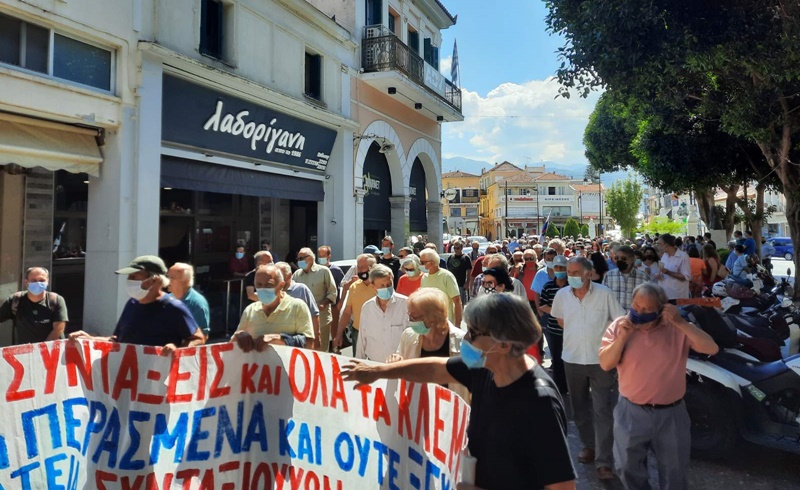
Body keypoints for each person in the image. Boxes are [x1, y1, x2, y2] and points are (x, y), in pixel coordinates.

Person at [342, 294, 576, 490]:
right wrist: (379, 371)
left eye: (473, 333)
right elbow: (435, 369)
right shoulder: (485, 369)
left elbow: (562, 486)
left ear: (504, 344)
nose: (465, 338)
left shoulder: (538, 402)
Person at [600, 283, 718, 489]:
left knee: (675, 471)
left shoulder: (676, 327)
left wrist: (680, 322)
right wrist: (622, 338)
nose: (638, 312)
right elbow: (605, 363)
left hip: (671, 414)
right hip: (631, 411)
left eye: (646, 309)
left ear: (661, 309)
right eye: (636, 306)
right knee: (627, 467)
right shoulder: (620, 325)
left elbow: (711, 348)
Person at [550, 256, 626, 480]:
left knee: (602, 409)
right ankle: (589, 446)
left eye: (575, 272)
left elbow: (619, 320)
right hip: (572, 359)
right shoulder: (562, 295)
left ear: (588, 274)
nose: (570, 275)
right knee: (579, 407)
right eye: (568, 272)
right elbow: (561, 320)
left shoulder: (604, 294)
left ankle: (604, 461)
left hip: (600, 360)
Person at [70, 256, 203, 354]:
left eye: (135, 277)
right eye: (129, 277)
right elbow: (118, 340)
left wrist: (177, 349)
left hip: (158, 384)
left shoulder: (173, 307)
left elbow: (198, 338)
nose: (129, 281)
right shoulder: (132, 304)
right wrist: (90, 339)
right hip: (132, 382)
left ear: (155, 280)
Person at [388, 288, 469, 401]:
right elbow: (400, 363)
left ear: (433, 317)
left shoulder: (463, 342)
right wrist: (396, 360)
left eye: (414, 317)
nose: (410, 321)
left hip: (450, 411)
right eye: (409, 315)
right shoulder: (408, 336)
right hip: (419, 408)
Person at [231, 264, 314, 351]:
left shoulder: (298, 307)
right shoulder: (250, 310)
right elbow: (232, 346)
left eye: (268, 285)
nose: (263, 288)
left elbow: (309, 343)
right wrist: (239, 336)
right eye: (259, 285)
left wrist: (281, 340)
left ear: (281, 285)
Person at [0, 267, 68, 344]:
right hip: (23, 353)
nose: (38, 283)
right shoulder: (15, 300)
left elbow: (58, 329)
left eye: (42, 280)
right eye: (34, 280)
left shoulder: (56, 300)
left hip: (50, 352)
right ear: (26, 282)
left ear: (47, 282)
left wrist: (41, 349)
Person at [355, 265, 408, 362]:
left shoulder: (405, 305)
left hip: (399, 366)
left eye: (389, 284)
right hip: (375, 366)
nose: (386, 288)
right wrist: (358, 363)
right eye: (382, 286)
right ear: (373, 287)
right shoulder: (367, 308)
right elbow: (362, 339)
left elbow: (410, 337)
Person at [293, 247, 337, 351]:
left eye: (301, 258)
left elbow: (333, 292)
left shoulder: (323, 271)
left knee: (321, 352)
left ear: (311, 258)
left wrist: (323, 303)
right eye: (298, 259)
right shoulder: (296, 275)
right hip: (302, 323)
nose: (299, 261)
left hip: (321, 320)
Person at [538, 255, 570, 394]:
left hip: (571, 330)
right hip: (554, 329)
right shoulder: (548, 286)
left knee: (570, 359)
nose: (559, 270)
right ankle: (560, 388)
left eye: (562, 267)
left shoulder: (572, 286)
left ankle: (572, 386)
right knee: (557, 359)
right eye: (556, 267)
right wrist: (557, 313)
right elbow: (543, 304)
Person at [335, 254, 378, 352]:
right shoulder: (354, 287)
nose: (359, 270)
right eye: (358, 267)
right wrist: (339, 334)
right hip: (357, 332)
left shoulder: (380, 286)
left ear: (371, 268)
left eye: (362, 267)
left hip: (377, 331)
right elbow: (347, 313)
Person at [275, 262, 320, 348]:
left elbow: (314, 315)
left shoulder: (301, 290)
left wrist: (317, 338)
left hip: (298, 342)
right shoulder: (272, 292)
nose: (276, 279)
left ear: (289, 275)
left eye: (279, 276)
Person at [166, 263, 211, 338]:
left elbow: (203, 335)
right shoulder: (166, 300)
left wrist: (180, 349)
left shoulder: (197, 303)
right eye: (167, 276)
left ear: (185, 282)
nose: (168, 281)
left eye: (172, 278)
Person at [420, 249, 463, 327]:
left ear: (432, 262)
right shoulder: (424, 278)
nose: (420, 264)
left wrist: (457, 324)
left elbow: (457, 301)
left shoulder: (447, 276)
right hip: (429, 325)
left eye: (422, 262)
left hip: (446, 324)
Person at [602, 245, 649, 310]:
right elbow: (603, 298)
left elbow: (648, 301)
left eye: (623, 258)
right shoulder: (609, 276)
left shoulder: (643, 277)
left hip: (635, 318)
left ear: (632, 259)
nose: (619, 260)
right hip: (615, 318)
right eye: (617, 258)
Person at [654, 234, 691, 302]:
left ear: (666, 245)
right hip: (664, 295)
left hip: (677, 296)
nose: (657, 246)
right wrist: (659, 275)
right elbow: (662, 271)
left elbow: (686, 277)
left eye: (659, 244)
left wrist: (669, 272)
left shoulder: (683, 256)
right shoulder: (664, 255)